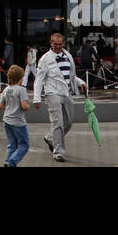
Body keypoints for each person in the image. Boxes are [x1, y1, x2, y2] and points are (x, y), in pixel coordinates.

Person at [33, 32, 85, 162]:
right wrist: (37, 98)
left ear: (63, 43)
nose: (57, 46)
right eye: (55, 44)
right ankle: (58, 152)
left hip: (67, 92)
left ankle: (50, 138)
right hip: (52, 93)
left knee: (69, 122)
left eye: (60, 44)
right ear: (51, 43)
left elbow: (70, 75)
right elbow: (39, 80)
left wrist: (81, 83)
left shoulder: (67, 55)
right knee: (58, 123)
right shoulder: (45, 59)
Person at [0, 64, 30, 167]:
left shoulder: (6, 90)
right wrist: (29, 106)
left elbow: (0, 106)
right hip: (18, 122)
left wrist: (10, 107)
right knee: (24, 145)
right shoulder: (22, 90)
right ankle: (11, 162)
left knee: (12, 145)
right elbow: (24, 106)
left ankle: (7, 161)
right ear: (20, 78)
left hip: (7, 120)